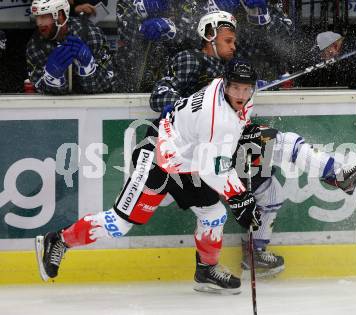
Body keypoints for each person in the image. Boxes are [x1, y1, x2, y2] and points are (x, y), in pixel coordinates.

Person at [35, 58, 261, 295]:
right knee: (119, 223)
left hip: (186, 159)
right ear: (225, 85)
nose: (242, 94)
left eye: (247, 89)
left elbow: (222, 140)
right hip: (158, 153)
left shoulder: (227, 91)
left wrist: (242, 131)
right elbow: (213, 170)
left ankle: (206, 269)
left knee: (213, 214)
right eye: (236, 87)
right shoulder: (216, 118)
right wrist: (241, 199)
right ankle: (59, 240)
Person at [235, 123, 356, 276]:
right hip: (225, 146)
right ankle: (338, 176)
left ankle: (255, 252)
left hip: (236, 144)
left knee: (271, 194)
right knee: (287, 143)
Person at [149, 10, 237, 113]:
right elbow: (159, 97)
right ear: (210, 36)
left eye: (234, 42)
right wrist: (194, 108)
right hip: (189, 127)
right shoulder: (192, 59)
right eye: (228, 41)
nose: (233, 47)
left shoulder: (227, 65)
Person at [26, 0, 114, 94]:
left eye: (44, 16)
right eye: (37, 17)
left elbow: (108, 84)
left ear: (60, 16)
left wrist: (88, 69)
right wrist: (52, 80)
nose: (39, 23)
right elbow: (37, 91)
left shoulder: (91, 34)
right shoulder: (35, 46)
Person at [115, 0, 177, 92]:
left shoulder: (172, 4)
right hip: (122, 78)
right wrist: (139, 14)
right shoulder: (125, 4)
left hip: (157, 84)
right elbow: (118, 28)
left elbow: (194, 27)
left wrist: (173, 27)